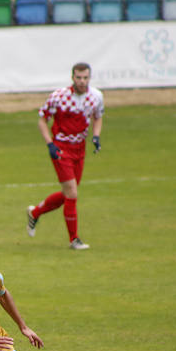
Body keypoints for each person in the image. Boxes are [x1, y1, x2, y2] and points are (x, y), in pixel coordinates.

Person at [27, 62, 104, 250]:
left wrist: (96, 136)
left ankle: (35, 213)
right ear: (72, 78)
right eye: (79, 77)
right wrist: (50, 144)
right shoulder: (59, 97)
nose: (82, 81)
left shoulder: (96, 96)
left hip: (80, 150)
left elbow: (98, 116)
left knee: (68, 194)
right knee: (72, 193)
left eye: (85, 78)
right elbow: (42, 120)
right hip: (61, 149)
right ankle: (74, 239)